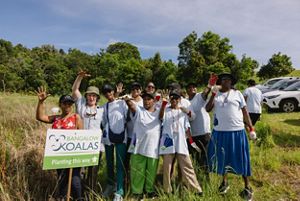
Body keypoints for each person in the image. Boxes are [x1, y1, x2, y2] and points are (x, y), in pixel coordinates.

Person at [205, 73, 257, 201]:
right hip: (220, 132)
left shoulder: (238, 94)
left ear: (231, 82)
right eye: (223, 79)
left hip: (237, 132)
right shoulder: (216, 94)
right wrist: (212, 94)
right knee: (222, 159)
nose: (225, 81)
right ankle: (224, 183)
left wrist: (251, 128)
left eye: (228, 79)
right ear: (220, 82)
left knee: (242, 159)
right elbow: (207, 108)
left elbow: (245, 113)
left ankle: (247, 186)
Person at [36, 86, 84, 200]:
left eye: (69, 103)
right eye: (65, 103)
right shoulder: (56, 118)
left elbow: (81, 136)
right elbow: (40, 117)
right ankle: (63, 198)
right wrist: (41, 102)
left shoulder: (76, 118)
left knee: (75, 180)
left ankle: (79, 198)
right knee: (62, 180)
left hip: (73, 157)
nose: (67, 106)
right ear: (60, 104)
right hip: (59, 156)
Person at [159, 89, 203, 195]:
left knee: (187, 166)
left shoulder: (183, 111)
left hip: (181, 142)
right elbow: (160, 117)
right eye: (172, 98)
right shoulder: (165, 110)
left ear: (179, 99)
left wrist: (191, 142)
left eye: (176, 98)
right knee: (167, 168)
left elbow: (187, 127)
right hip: (167, 142)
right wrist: (163, 104)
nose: (174, 100)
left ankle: (196, 189)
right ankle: (167, 190)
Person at [124, 91, 165, 200]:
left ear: (154, 101)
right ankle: (137, 192)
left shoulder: (159, 112)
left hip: (153, 148)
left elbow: (163, 114)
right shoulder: (139, 110)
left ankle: (149, 191)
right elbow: (132, 106)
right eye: (145, 99)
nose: (146, 101)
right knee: (137, 171)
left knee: (151, 171)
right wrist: (127, 100)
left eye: (149, 99)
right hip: (138, 147)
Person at [72, 70, 104, 191]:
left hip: (95, 145)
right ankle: (78, 194)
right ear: (86, 96)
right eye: (89, 95)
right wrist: (79, 77)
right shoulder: (81, 104)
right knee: (79, 171)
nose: (91, 97)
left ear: (97, 98)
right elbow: (75, 91)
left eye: (94, 96)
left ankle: (90, 194)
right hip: (80, 144)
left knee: (93, 172)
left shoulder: (101, 110)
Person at [185, 76, 217, 178]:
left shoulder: (199, 96)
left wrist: (209, 85)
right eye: (189, 87)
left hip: (203, 133)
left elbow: (205, 93)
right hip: (192, 135)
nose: (192, 88)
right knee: (195, 157)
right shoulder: (185, 101)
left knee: (205, 157)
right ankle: (198, 177)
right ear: (186, 90)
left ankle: (206, 179)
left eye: (194, 87)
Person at [101, 84, 128, 201]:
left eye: (110, 91)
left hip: (122, 137)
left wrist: (119, 96)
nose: (108, 93)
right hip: (108, 138)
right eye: (105, 92)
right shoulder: (104, 106)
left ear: (114, 91)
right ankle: (110, 185)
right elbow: (103, 122)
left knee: (120, 164)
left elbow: (128, 117)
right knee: (110, 163)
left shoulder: (123, 103)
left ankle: (120, 190)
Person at [124, 82, 143, 188]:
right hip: (128, 136)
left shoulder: (143, 102)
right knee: (126, 161)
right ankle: (126, 182)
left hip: (139, 137)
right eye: (133, 89)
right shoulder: (126, 100)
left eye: (137, 89)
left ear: (141, 90)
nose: (135, 90)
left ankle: (138, 182)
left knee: (138, 161)